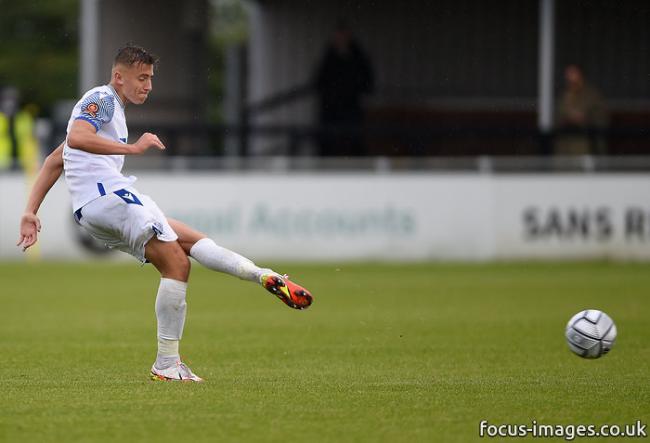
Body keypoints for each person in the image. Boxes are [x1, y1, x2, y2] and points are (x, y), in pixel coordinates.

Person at [16, 45, 313, 383]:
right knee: (176, 263)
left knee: (190, 240)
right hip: (108, 197)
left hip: (100, 205)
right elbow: (77, 137)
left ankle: (265, 276)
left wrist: (29, 210)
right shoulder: (103, 99)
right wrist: (132, 148)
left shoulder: (114, 111)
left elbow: (58, 157)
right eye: (141, 78)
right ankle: (167, 365)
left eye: (150, 79)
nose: (148, 86)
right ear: (118, 77)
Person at [313, 22, 374, 156]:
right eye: (339, 36)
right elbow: (319, 82)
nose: (341, 39)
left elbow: (367, 82)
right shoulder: (329, 57)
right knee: (327, 142)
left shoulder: (358, 56)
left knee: (355, 141)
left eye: (344, 35)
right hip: (331, 109)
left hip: (351, 108)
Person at [555, 64, 609, 156]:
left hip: (584, 145)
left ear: (581, 75)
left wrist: (583, 119)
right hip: (564, 146)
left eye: (572, 74)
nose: (569, 78)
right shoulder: (563, 95)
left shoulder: (592, 95)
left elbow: (601, 119)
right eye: (567, 74)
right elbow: (556, 117)